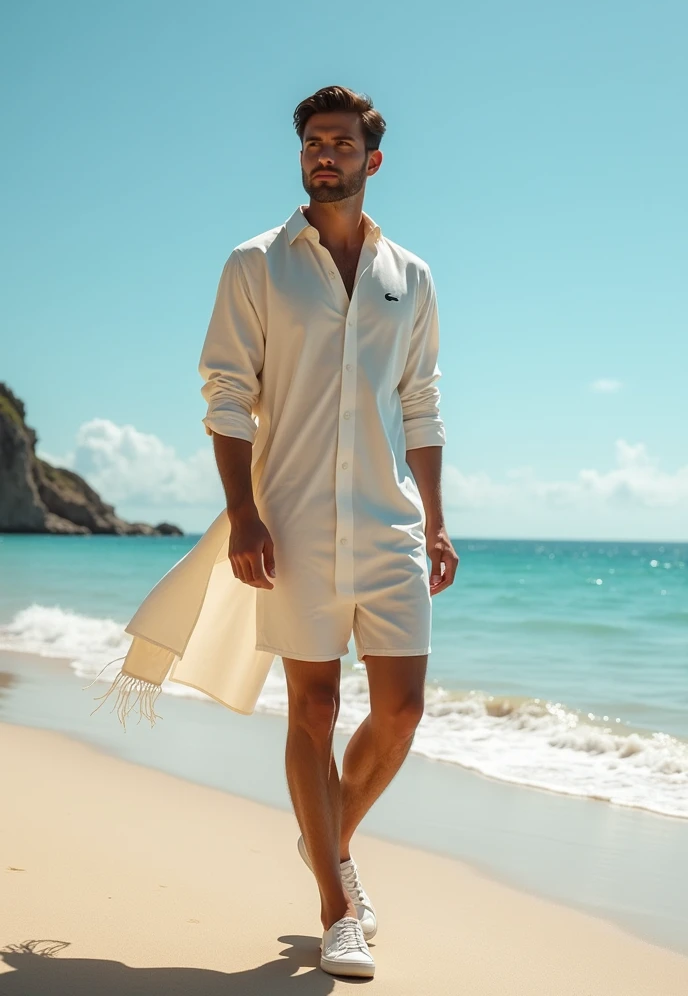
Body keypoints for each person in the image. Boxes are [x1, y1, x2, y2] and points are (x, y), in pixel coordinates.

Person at [199, 84, 459, 979]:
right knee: (313, 708)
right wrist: (244, 510)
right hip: (296, 522)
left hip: (388, 525)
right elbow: (227, 393)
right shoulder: (255, 264)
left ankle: (328, 840)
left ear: (371, 159)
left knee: (401, 713)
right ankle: (335, 907)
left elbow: (420, 404)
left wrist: (436, 522)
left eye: (342, 143)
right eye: (313, 140)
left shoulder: (411, 276)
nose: (325, 153)